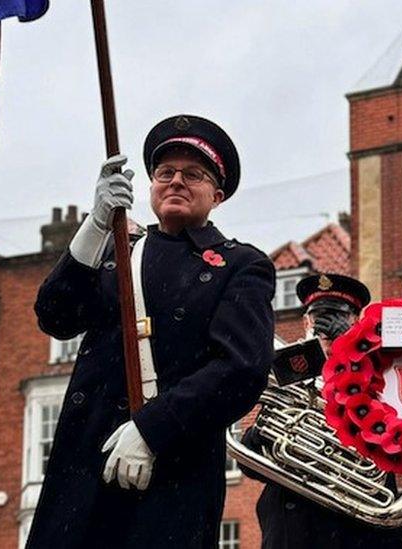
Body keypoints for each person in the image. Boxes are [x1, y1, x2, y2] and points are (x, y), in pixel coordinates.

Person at [27, 114, 276, 548]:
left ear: (216, 195)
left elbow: (241, 368)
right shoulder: (119, 252)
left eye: (193, 174)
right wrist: (96, 223)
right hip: (84, 468)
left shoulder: (239, 266)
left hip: (171, 475)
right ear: (151, 186)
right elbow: (56, 315)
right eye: (165, 173)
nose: (176, 181)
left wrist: (151, 429)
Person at [242, 273, 402, 549]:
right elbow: (252, 464)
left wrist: (351, 352)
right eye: (318, 318)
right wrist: (263, 436)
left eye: (338, 317)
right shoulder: (288, 374)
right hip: (292, 530)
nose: (326, 329)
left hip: (358, 530)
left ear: (356, 321)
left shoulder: (381, 371)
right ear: (306, 323)